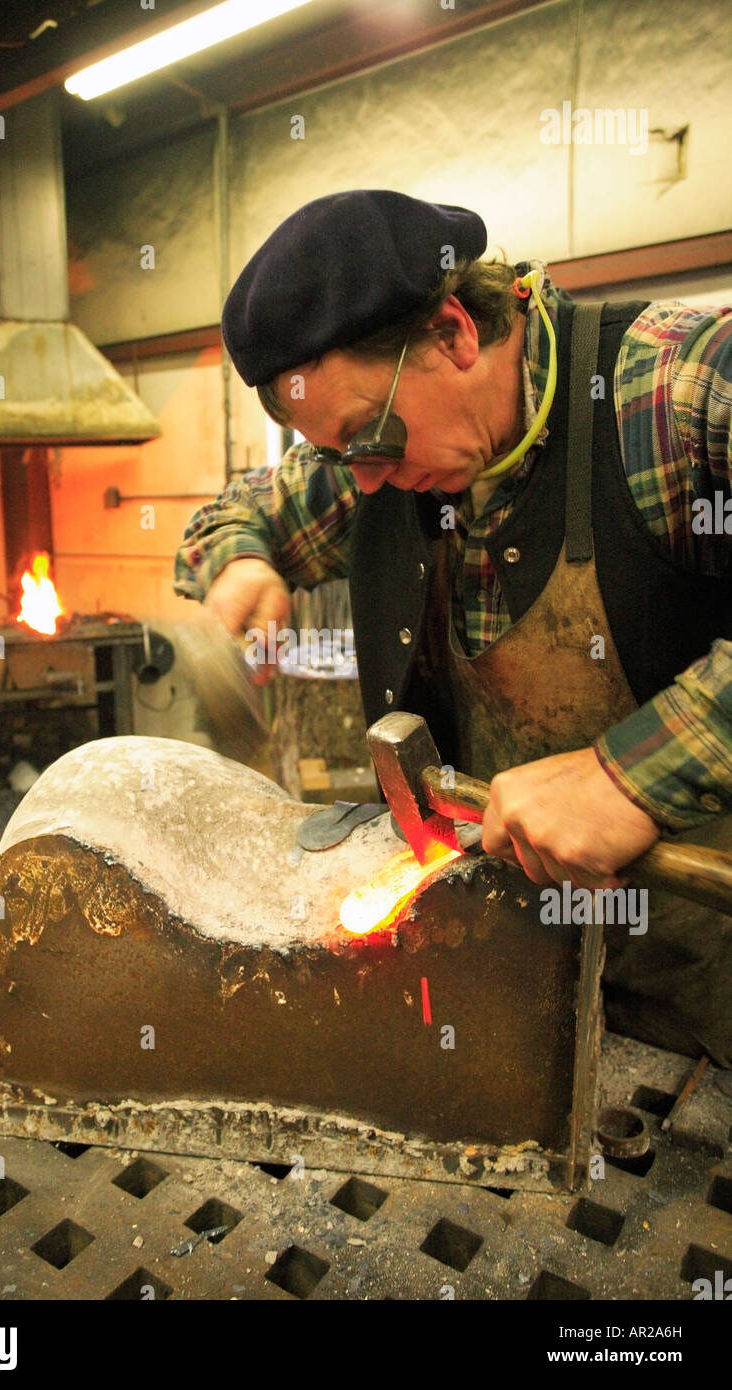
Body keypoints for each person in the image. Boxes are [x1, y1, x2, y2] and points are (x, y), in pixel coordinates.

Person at [174, 189, 732, 1064]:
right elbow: (235, 511)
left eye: (367, 440)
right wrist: (244, 559)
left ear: (452, 334)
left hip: (701, 993)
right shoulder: (373, 465)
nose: (360, 484)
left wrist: (628, 777)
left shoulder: (677, 386)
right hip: (511, 967)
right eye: (336, 456)